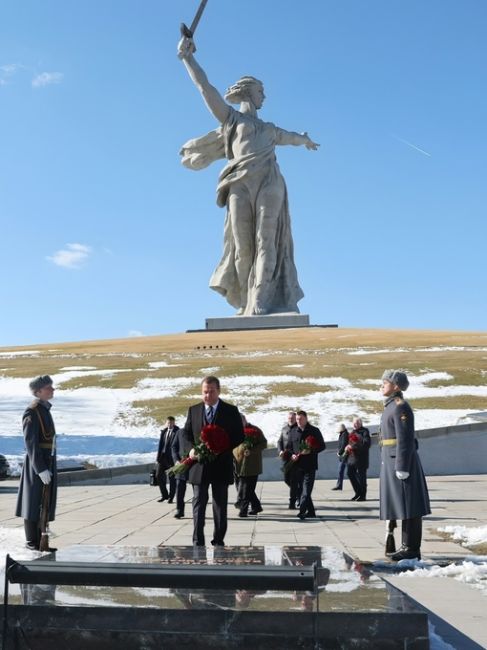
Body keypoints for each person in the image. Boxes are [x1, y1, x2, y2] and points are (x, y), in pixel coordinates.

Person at [177, 35, 319, 317]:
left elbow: (289, 137)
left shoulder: (269, 128)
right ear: (248, 92)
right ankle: (245, 301)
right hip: (239, 183)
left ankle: (260, 300)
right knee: (243, 247)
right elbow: (206, 89)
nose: (264, 96)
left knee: (267, 239)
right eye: (260, 91)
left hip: (269, 181)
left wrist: (304, 140)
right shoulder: (232, 119)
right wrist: (188, 58)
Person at [183, 376, 244, 546]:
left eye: (211, 391)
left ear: (219, 391)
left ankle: (218, 539)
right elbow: (186, 434)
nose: (207, 395)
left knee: (219, 505)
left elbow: (239, 436)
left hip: (221, 465)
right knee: (198, 504)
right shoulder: (193, 410)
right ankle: (197, 540)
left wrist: (221, 446)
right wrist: (191, 449)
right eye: (204, 392)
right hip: (199, 466)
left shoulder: (230, 411)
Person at [380, 370, 431, 561]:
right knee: (401, 505)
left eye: (385, 382)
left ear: (396, 386)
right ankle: (405, 545)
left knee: (410, 506)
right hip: (391, 460)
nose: (382, 385)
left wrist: (402, 465)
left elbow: (406, 439)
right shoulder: (391, 406)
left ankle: (411, 548)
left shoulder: (400, 407)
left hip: (401, 463)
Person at [15, 375, 57, 551]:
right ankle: (32, 541)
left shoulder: (44, 409)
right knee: (33, 502)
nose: (52, 390)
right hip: (37, 464)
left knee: (44, 501)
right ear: (38, 391)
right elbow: (31, 443)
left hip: (47, 461)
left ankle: (41, 539)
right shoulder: (32, 411)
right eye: (48, 387)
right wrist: (40, 469)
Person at [287, 410, 326, 519]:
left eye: (300, 419)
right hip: (297, 466)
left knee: (306, 490)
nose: (298, 421)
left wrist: (311, 451)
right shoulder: (293, 431)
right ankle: (311, 512)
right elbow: (289, 448)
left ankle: (302, 511)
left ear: (306, 418)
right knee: (301, 490)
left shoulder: (314, 431)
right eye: (297, 419)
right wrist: (292, 455)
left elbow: (322, 446)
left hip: (310, 466)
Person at [233, 415, 267, 517]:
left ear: (245, 420)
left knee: (245, 489)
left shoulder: (255, 430)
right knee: (242, 488)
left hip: (251, 466)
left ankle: (243, 511)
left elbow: (264, 444)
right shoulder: (235, 431)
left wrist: (252, 451)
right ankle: (256, 506)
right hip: (237, 465)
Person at [277, 411, 300, 508]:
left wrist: (297, 454)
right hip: (285, 458)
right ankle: (300, 493)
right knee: (286, 479)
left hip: (295, 458)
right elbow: (279, 441)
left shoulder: (298, 429)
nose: (291, 419)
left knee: (294, 480)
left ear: (295, 419)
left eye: (292, 418)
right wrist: (280, 451)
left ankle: (292, 502)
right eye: (289, 418)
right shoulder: (284, 429)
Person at [346, 418, 371, 501]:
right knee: (349, 474)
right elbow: (349, 443)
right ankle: (358, 492)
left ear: (360, 423)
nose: (354, 425)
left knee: (362, 478)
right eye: (354, 423)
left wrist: (354, 446)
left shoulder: (365, 431)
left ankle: (363, 495)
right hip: (352, 458)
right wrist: (347, 447)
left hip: (361, 459)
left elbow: (367, 444)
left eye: (356, 423)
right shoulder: (352, 432)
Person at [156, 417, 179, 503]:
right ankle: (164, 495)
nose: (169, 425)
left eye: (171, 423)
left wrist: (177, 459)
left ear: (174, 423)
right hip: (162, 458)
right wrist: (157, 458)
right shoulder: (164, 431)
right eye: (168, 423)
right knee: (158, 476)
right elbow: (160, 446)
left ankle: (171, 497)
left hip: (172, 459)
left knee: (172, 479)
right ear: (166, 423)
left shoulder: (177, 432)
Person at [171, 426, 190, 519]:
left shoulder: (198, 431)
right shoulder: (180, 432)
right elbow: (174, 447)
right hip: (181, 464)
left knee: (198, 490)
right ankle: (179, 510)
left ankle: (198, 510)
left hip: (195, 465)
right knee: (179, 488)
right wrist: (176, 460)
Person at [331, 423, 349, 491]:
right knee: (342, 471)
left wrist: (339, 452)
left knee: (342, 471)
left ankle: (339, 485)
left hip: (344, 456)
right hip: (343, 456)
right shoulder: (342, 434)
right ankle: (339, 485)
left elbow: (344, 444)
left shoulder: (344, 434)